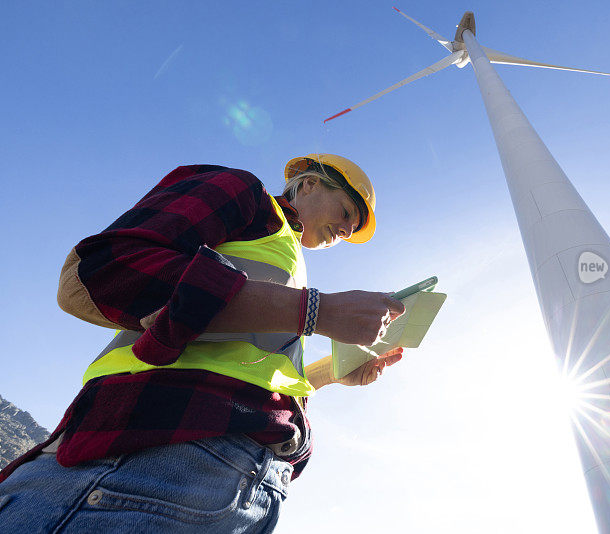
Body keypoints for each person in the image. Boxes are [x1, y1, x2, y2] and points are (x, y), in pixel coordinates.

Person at [0, 154, 406, 533]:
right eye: (348, 212)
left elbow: (239, 364)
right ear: (312, 183)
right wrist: (319, 311)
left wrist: (331, 372)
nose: (348, 230)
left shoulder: (286, 262)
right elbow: (98, 272)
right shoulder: (246, 195)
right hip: (154, 457)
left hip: (246, 489)